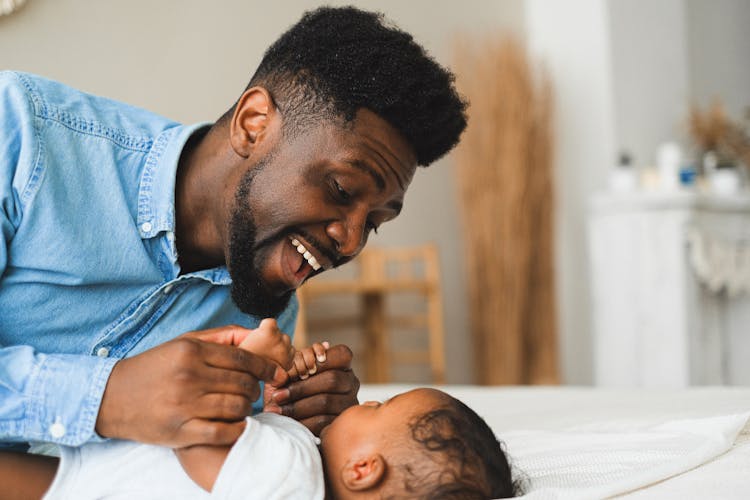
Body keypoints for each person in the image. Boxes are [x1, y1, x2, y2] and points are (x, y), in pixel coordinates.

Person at [0, 5, 468, 451]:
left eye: (374, 223)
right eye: (342, 190)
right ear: (254, 124)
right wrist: (107, 397)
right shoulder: (20, 134)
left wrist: (305, 430)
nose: (349, 240)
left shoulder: (267, 308)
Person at [0, 319, 516, 499]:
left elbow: (203, 442)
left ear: (362, 469)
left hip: (81, 479)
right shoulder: (296, 473)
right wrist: (273, 409)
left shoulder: (290, 473)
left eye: (379, 406)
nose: (364, 400)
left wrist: (247, 363)